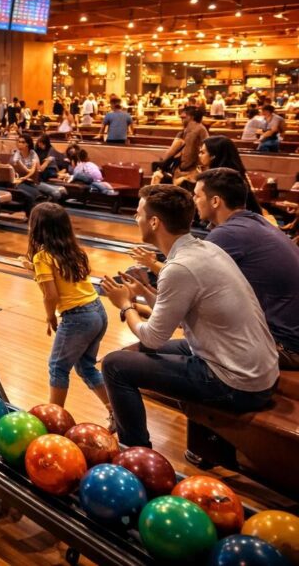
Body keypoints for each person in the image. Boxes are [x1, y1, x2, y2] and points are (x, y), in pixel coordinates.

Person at [100, 185, 279, 449]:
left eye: (138, 214)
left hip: (239, 384)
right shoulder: (206, 249)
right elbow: (180, 313)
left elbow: (154, 336)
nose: (134, 219)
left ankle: (134, 453)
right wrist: (145, 292)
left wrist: (126, 304)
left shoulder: (179, 267)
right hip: (258, 370)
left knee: (114, 365)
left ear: (154, 221)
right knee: (138, 351)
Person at [193, 168, 299, 369]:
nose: (193, 201)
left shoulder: (228, 234)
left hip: (287, 347)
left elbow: (188, 285)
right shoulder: (256, 221)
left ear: (215, 201)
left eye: (197, 196)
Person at [19, 203, 112, 422]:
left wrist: (50, 316)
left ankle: (54, 419)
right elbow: (64, 279)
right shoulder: (74, 250)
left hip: (77, 318)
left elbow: (50, 295)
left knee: (57, 367)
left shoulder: (42, 257)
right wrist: (33, 269)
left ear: (37, 228)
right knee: (86, 367)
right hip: (97, 311)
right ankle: (115, 410)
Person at [153, 106, 208, 186]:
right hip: (180, 169)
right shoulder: (183, 132)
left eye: (183, 117)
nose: (182, 120)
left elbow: (208, 149)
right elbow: (170, 153)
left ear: (191, 117)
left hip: (192, 171)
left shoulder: (201, 129)